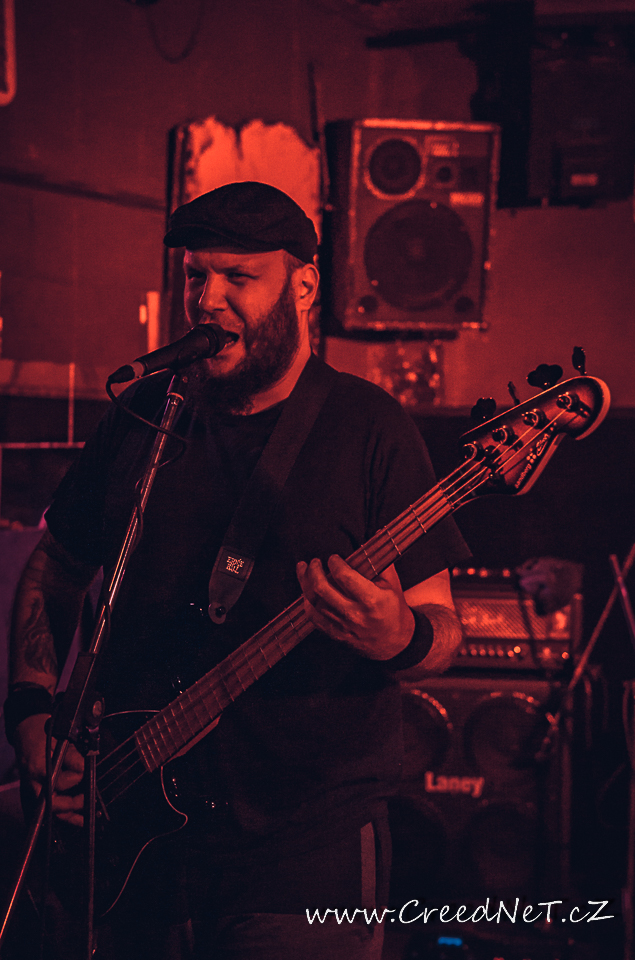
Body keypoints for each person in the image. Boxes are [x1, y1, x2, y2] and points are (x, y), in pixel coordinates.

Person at [6, 181, 470, 960]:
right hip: (131, 828)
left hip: (302, 842)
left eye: (238, 278)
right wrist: (28, 713)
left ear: (304, 286)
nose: (206, 299)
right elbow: (55, 566)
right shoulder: (145, 415)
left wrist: (398, 637)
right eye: (196, 275)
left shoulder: (369, 428)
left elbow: (442, 630)